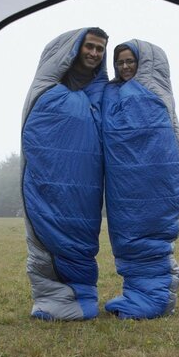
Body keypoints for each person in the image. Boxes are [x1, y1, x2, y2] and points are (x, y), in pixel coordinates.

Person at [20, 27, 108, 321]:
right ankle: (55, 295)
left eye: (100, 49)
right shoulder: (46, 88)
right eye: (90, 47)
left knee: (82, 228)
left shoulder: (101, 94)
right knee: (47, 229)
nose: (94, 54)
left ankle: (81, 295)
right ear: (73, 50)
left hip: (86, 181)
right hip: (49, 176)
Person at [102, 40, 179, 319]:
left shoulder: (153, 92)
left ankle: (158, 296)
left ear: (144, 63)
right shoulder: (112, 93)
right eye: (120, 62)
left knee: (148, 227)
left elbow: (161, 134)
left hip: (151, 175)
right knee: (125, 231)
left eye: (130, 61)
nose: (124, 67)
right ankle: (138, 292)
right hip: (122, 179)